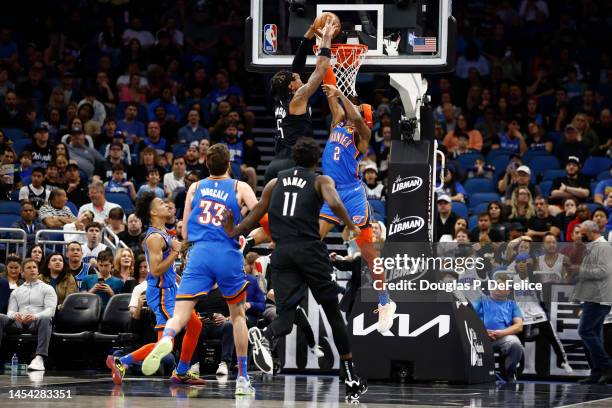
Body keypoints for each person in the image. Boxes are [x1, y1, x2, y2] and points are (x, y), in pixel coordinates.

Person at [224, 137, 367, 400]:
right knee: (333, 313)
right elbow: (335, 203)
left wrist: (235, 230)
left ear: (293, 160)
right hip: (309, 250)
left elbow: (255, 215)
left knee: (286, 318)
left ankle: (265, 334)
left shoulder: (273, 183)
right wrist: (351, 224)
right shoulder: (320, 180)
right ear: (316, 161)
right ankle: (349, 375)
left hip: (282, 253)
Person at [143, 143, 260, 396]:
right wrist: (240, 229)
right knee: (238, 316)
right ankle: (241, 378)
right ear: (229, 164)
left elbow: (184, 231)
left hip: (198, 253)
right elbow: (259, 212)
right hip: (227, 252)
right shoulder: (241, 186)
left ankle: (167, 338)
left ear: (206, 165)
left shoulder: (195, 187)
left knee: (182, 313)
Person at [319, 83, 395, 334]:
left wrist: (339, 94)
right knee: (313, 237)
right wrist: (331, 89)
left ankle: (384, 301)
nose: (354, 112)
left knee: (368, 250)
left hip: (352, 194)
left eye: (359, 111)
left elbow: (352, 114)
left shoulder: (363, 134)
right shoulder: (338, 123)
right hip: (331, 190)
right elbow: (337, 107)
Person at [110, 192, 204, 386]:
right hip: (161, 293)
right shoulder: (153, 237)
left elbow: (170, 261)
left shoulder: (164, 232)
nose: (166, 205)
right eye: (161, 203)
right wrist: (176, 252)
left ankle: (182, 371)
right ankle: (122, 361)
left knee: (195, 325)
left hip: (172, 290)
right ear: (153, 211)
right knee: (164, 343)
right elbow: (155, 269)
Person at [263, 19, 337, 185]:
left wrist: (308, 36)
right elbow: (321, 68)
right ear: (291, 86)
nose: (299, 77)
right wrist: (326, 38)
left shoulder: (281, 98)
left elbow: (297, 66)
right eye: (296, 78)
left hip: (274, 164)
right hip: (293, 163)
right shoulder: (298, 98)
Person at [0, 258, 57, 371]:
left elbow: (51, 310)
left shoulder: (48, 288)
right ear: (22, 272)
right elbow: (10, 311)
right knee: (0, 317)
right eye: (29, 268)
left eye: (34, 267)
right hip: (19, 323)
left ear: (38, 271)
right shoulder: (16, 291)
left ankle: (39, 358)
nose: (32, 270)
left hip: (36, 322)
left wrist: (36, 316)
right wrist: (15, 315)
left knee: (46, 318)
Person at [574, 220, 612, 384]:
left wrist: (579, 270)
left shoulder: (602, 247)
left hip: (599, 296)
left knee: (585, 331)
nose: (580, 235)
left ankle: (607, 366)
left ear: (591, 232)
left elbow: (603, 272)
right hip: (594, 295)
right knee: (595, 333)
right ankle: (597, 372)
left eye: (582, 233)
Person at [471, 273, 524, 383]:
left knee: (515, 343)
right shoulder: (480, 300)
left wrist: (502, 333)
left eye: (502, 286)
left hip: (501, 338)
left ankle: (510, 374)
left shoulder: (512, 304)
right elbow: (467, 317)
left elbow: (519, 326)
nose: (497, 288)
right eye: (495, 284)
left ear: (508, 290)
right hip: (479, 337)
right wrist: (483, 332)